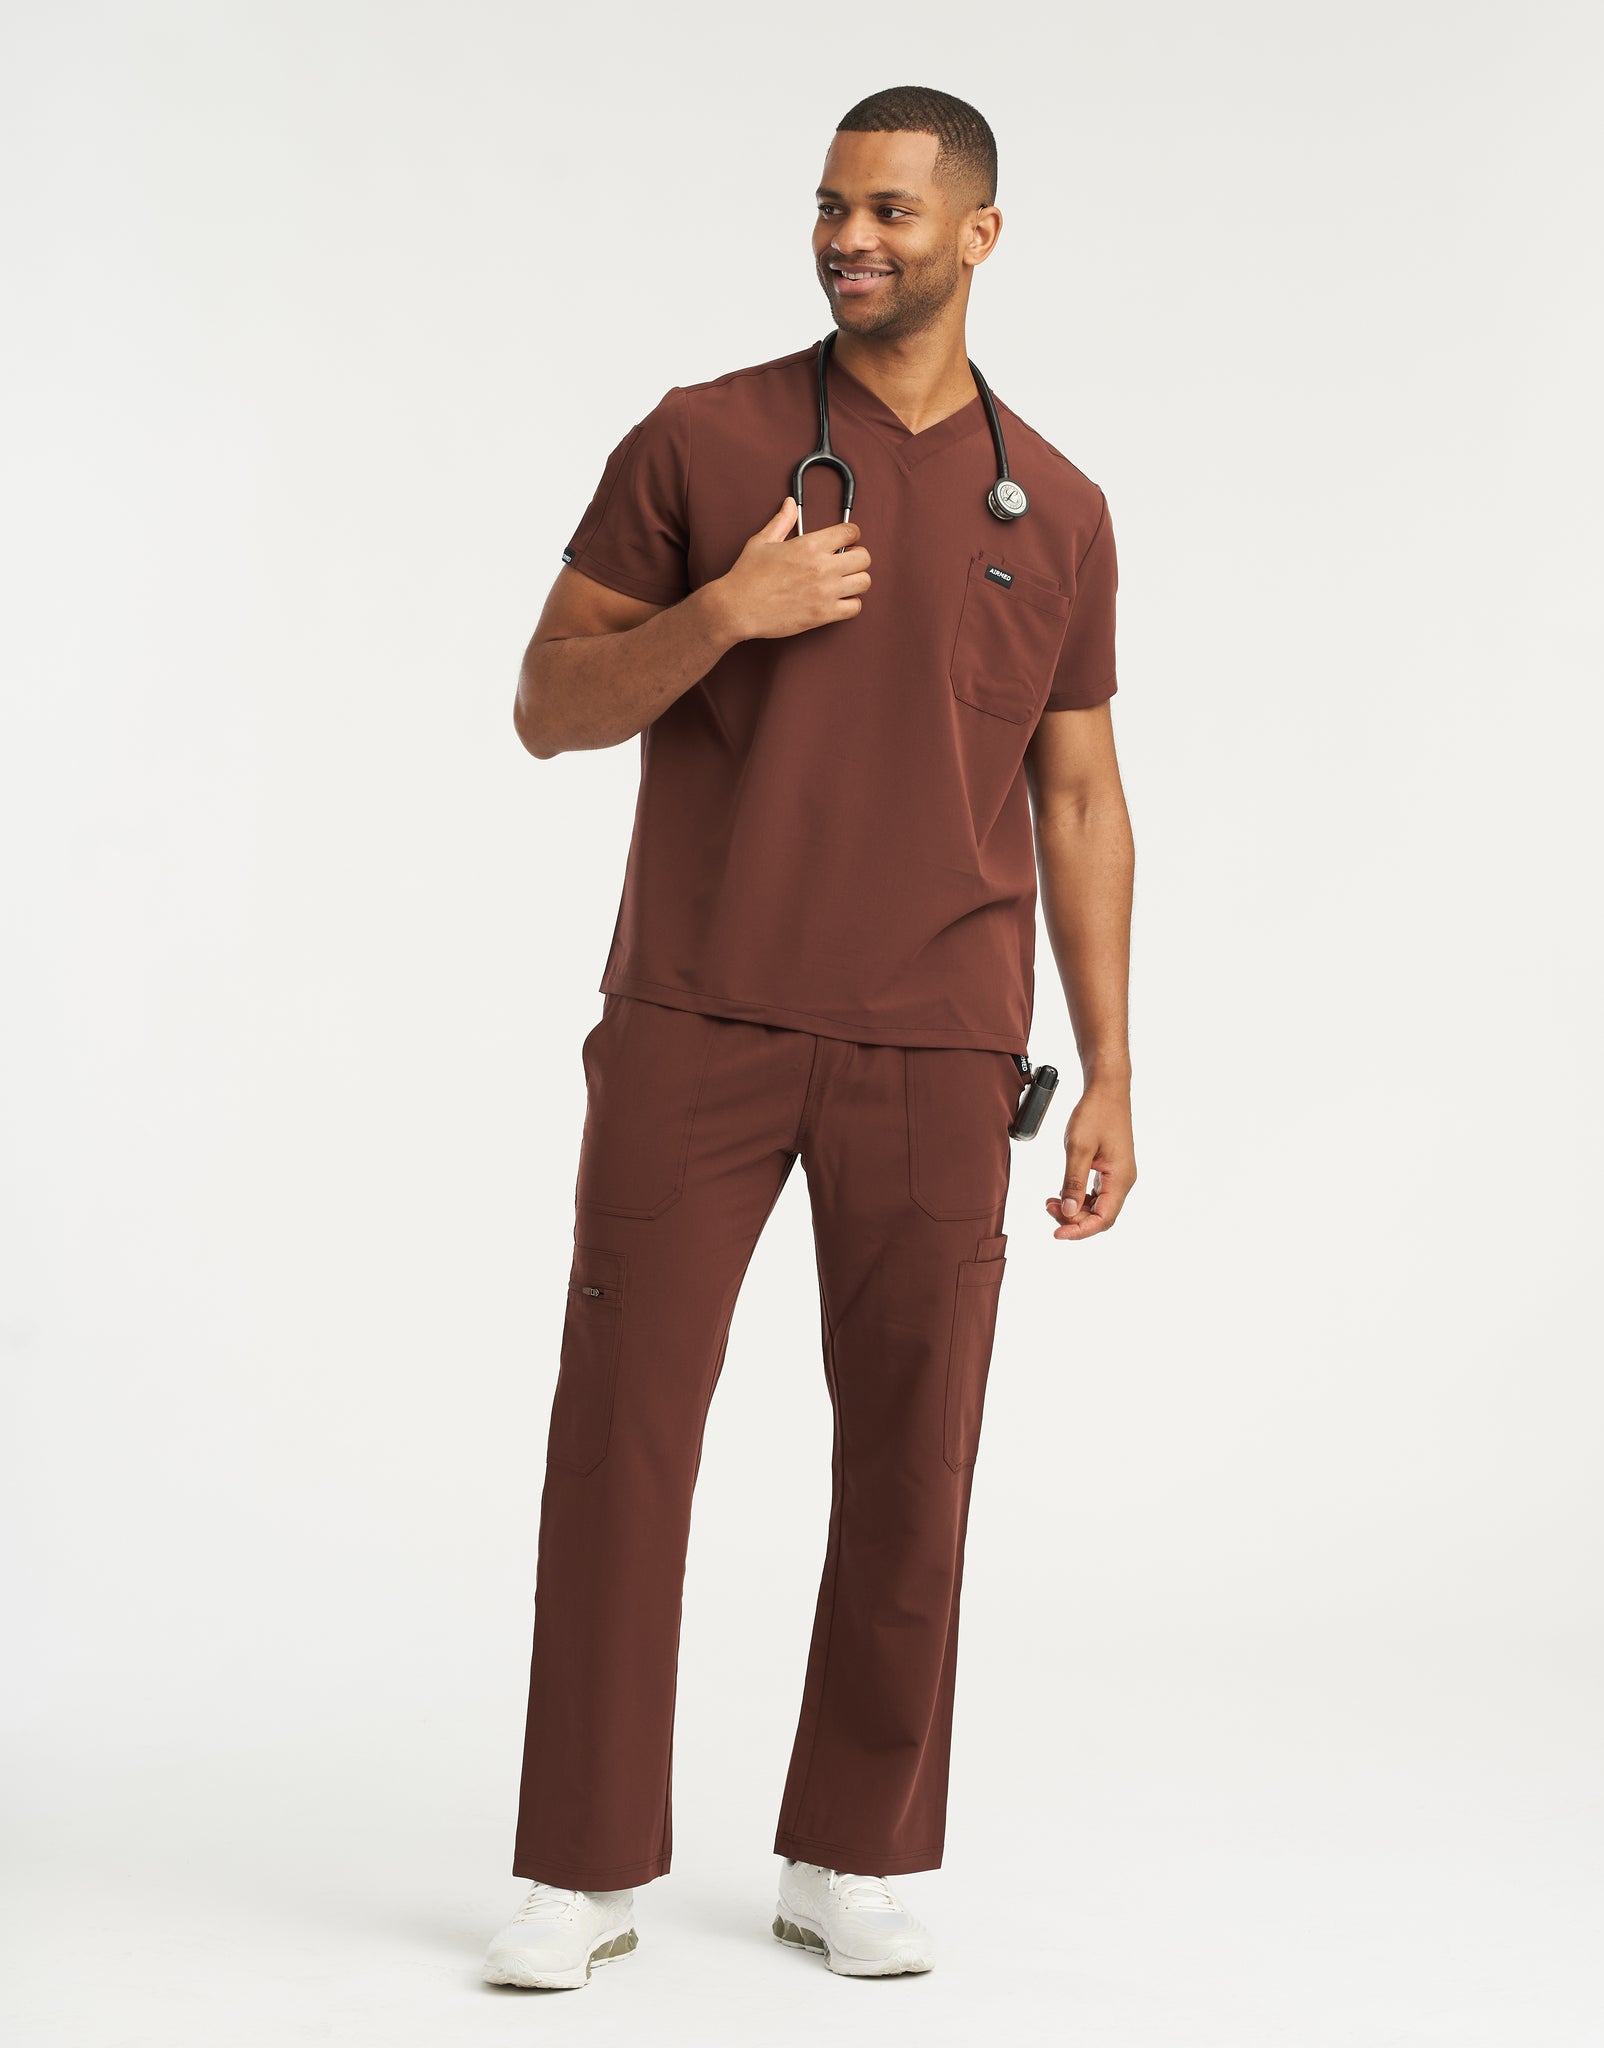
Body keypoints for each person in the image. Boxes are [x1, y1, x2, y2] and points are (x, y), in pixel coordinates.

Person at [483, 83, 1137, 1992]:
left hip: (938, 1043)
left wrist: (1113, 1065)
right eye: (832, 206)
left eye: (891, 211)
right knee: (622, 1437)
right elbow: (547, 703)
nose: (850, 237)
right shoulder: (704, 440)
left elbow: (1079, 798)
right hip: (697, 1017)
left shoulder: (1058, 508)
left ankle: (851, 1852)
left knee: (919, 1455)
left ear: (979, 235)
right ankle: (579, 1866)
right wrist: (728, 610)